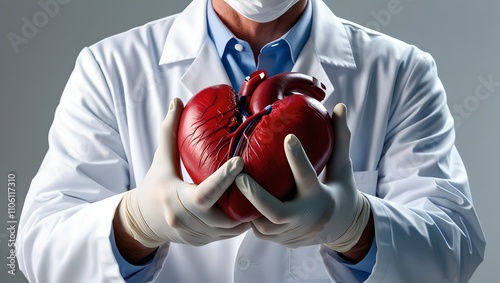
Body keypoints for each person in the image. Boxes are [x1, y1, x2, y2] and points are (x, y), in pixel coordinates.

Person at [17, 0, 486, 282]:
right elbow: (40, 249)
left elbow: (454, 250)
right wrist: (136, 224)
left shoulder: (402, 73)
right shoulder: (111, 69)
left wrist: (356, 226)